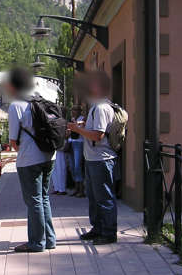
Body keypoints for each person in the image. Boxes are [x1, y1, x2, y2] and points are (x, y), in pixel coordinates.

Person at [7, 67, 56, 252]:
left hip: (30, 159)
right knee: (44, 198)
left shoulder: (16, 105)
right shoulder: (42, 99)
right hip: (50, 156)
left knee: (34, 200)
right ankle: (49, 239)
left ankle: (36, 242)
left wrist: (25, 151)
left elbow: (13, 141)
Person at [68, 71, 118, 245]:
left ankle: (108, 233)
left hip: (101, 159)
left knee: (104, 196)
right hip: (93, 159)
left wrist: (77, 129)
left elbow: (98, 135)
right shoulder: (96, 107)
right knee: (94, 196)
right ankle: (98, 228)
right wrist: (83, 125)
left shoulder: (102, 108)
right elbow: (95, 129)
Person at [68, 105, 86, 197]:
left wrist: (75, 123)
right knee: (72, 166)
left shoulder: (82, 119)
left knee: (77, 166)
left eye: (75, 110)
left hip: (79, 144)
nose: (73, 111)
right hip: (71, 143)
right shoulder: (72, 119)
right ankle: (76, 188)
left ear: (79, 111)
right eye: (72, 110)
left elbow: (80, 128)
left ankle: (81, 189)